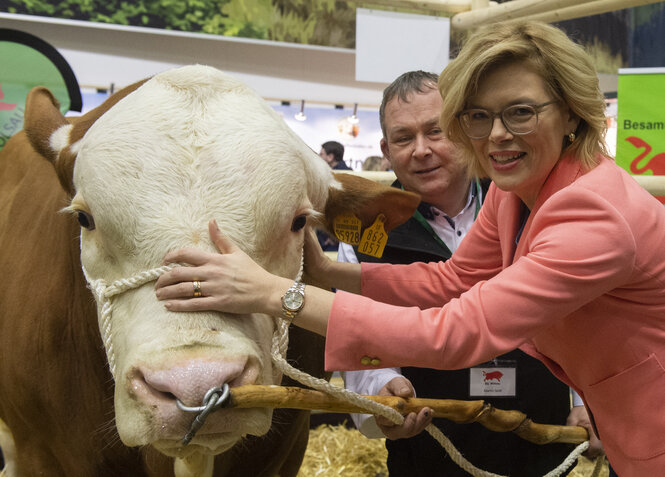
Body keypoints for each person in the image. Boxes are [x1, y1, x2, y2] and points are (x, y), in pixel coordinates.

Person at [155, 20, 665, 476]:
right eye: (478, 117)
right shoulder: (517, 191)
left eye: (521, 112)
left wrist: (273, 294)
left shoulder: (592, 214)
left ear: (573, 114)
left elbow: (457, 331)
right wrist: (330, 272)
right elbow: (452, 280)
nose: (497, 135)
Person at [338, 70, 575, 476]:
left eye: (435, 131)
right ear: (385, 149)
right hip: (431, 444)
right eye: (403, 138)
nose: (421, 150)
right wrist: (380, 389)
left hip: (542, 434)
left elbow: (577, 314)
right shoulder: (362, 233)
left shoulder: (532, 201)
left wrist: (586, 404)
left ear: (464, 132)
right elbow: (359, 335)